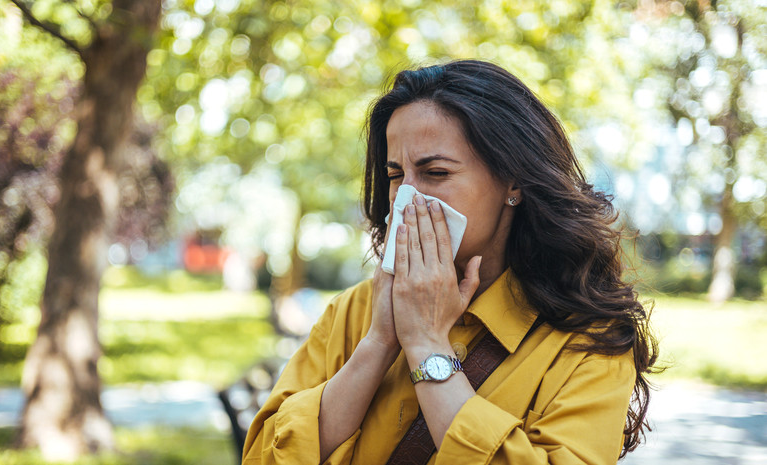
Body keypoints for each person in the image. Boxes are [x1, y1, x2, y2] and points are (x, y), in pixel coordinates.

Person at [242, 60, 658, 465]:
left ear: (513, 181)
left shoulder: (588, 340)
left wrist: (426, 346)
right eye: (394, 175)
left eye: (435, 173)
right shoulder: (354, 311)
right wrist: (379, 343)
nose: (407, 197)